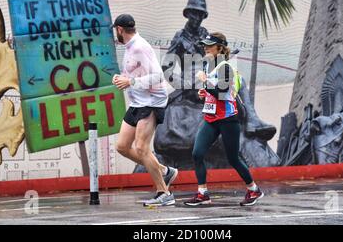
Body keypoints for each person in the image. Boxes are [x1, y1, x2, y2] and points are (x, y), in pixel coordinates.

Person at [184, 32, 264, 207]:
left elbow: (221, 94)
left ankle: (253, 189)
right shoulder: (208, 67)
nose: (205, 47)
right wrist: (203, 93)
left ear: (220, 48)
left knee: (233, 158)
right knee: (197, 153)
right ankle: (202, 193)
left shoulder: (226, 68)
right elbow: (212, 93)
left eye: (209, 45)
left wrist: (205, 82)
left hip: (228, 119)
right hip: (211, 119)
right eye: (205, 45)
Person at [112, 14, 178, 207]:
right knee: (122, 146)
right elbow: (137, 72)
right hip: (137, 103)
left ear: (120, 30)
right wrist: (122, 78)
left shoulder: (140, 47)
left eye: (115, 30)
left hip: (151, 103)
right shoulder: (130, 47)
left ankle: (164, 193)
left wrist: (130, 81)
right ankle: (165, 171)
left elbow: (158, 76)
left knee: (141, 148)